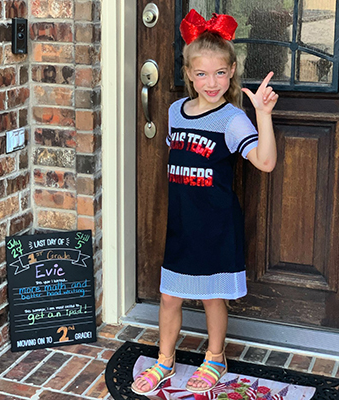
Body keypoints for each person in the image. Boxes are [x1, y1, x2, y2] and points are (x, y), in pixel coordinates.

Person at [131, 9, 278, 395]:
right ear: (188, 74)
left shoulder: (232, 119)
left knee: (214, 297)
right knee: (168, 296)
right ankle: (165, 360)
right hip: (182, 223)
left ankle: (215, 357)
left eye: (219, 73)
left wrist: (262, 114)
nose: (210, 82)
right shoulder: (175, 112)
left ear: (231, 72)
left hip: (216, 225)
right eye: (201, 74)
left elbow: (264, 161)